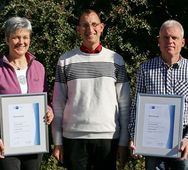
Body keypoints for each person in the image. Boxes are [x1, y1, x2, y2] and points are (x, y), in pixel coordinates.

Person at [52, 9, 130, 170]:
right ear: (78, 29)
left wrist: (123, 141)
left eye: (94, 24)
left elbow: (125, 104)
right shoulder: (65, 60)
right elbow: (58, 104)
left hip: (108, 137)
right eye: (85, 25)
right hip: (73, 137)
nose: (90, 29)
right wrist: (57, 141)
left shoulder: (116, 60)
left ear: (102, 27)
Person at [128, 19, 188, 169]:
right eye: (165, 37)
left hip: (183, 141)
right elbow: (137, 106)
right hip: (151, 140)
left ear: (183, 42)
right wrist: (134, 136)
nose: (170, 41)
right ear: (158, 41)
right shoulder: (146, 68)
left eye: (175, 38)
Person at [0, 16, 54, 170]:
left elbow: (45, 100)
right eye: (16, 37)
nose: (21, 41)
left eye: (25, 37)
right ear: (7, 39)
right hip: (5, 142)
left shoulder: (39, 67)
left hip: (34, 140)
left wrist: (49, 112)